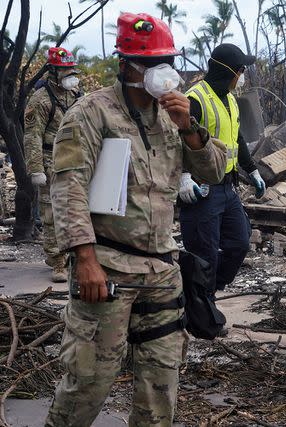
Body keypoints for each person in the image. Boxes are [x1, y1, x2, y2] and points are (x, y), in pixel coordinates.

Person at [45, 13, 227, 426]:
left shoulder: (173, 116)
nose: (164, 72)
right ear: (126, 65)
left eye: (168, 61)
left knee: (160, 387)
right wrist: (84, 259)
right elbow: (68, 187)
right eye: (153, 63)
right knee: (89, 381)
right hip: (107, 271)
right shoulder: (92, 114)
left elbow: (215, 172)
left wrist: (190, 129)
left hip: (161, 271)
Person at [179, 43, 265, 296]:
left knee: (239, 243)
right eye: (241, 70)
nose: (242, 76)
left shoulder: (230, 100)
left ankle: (205, 292)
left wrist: (252, 169)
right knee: (204, 255)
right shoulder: (194, 99)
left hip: (228, 187)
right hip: (201, 189)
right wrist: (183, 177)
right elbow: (176, 141)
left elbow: (235, 137)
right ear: (230, 72)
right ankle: (203, 310)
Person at [24, 47, 81, 282]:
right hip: (49, 159)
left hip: (75, 158)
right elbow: (32, 136)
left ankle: (72, 257)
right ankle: (57, 261)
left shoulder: (76, 93)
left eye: (72, 70)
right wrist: (36, 169)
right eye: (65, 70)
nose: (70, 74)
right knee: (51, 213)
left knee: (75, 210)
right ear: (54, 71)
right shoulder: (41, 99)